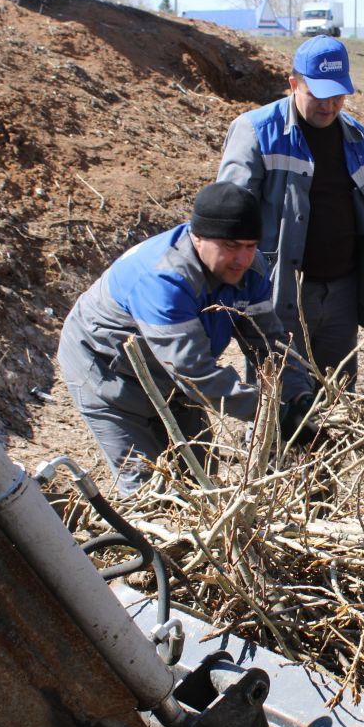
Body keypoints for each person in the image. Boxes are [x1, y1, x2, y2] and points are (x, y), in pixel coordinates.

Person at [57, 182, 315, 496]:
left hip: (172, 376)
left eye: (250, 245)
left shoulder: (252, 269)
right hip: (107, 374)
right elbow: (194, 373)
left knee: (201, 477)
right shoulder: (165, 279)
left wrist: (299, 394)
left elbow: (267, 340)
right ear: (198, 236)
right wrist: (276, 417)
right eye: (231, 245)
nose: (242, 258)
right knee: (149, 489)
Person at [217, 35, 364, 389]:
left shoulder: (355, 135)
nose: (329, 106)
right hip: (282, 292)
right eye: (318, 95)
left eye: (338, 95)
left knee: (336, 397)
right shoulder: (257, 132)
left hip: (342, 291)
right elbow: (229, 217)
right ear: (294, 84)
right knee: (278, 396)